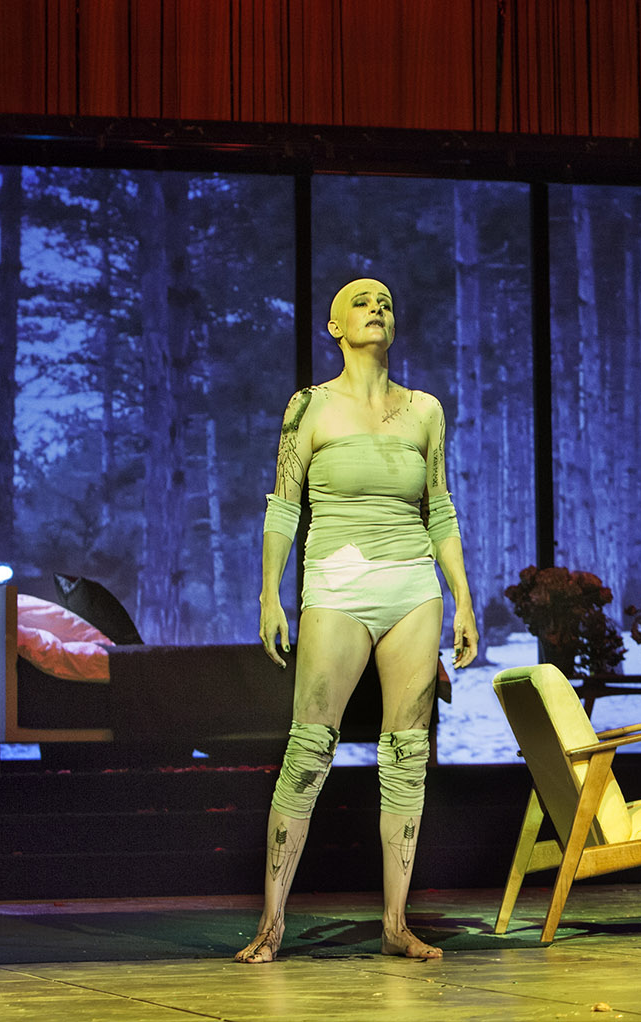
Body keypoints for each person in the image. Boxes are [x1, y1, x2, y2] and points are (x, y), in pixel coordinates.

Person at [236, 277, 479, 963]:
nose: (377, 308)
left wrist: (463, 597)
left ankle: (396, 923)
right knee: (309, 746)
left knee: (407, 755)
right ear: (334, 327)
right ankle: (272, 923)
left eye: (387, 303)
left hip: (413, 586)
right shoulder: (309, 406)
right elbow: (284, 503)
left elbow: (440, 508)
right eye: (362, 302)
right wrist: (269, 594)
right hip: (337, 584)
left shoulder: (425, 410)